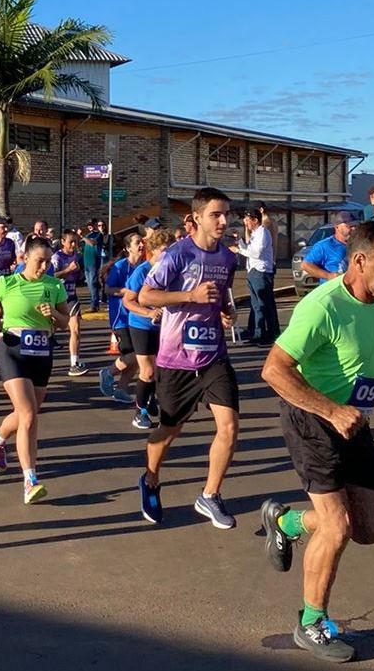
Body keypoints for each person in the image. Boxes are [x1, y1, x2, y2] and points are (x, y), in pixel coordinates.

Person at [258, 222, 374, 662]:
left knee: (371, 529)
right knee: (337, 526)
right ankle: (312, 622)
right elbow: (273, 370)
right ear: (359, 261)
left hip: (353, 419)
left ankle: (286, 524)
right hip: (312, 418)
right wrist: (329, 410)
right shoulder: (321, 307)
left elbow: (363, 352)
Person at [136, 187, 240, 531]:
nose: (224, 220)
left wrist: (226, 311)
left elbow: (221, 296)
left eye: (226, 213)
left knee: (229, 425)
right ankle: (151, 479)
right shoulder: (178, 255)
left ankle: (210, 494)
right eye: (216, 214)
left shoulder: (227, 258)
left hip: (213, 356)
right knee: (168, 430)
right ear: (195, 219)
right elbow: (146, 295)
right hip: (176, 357)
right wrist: (189, 295)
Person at [0, 235, 71, 504]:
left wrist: (53, 314)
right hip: (13, 350)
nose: (43, 267)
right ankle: (30, 480)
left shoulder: (55, 286)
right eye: (39, 261)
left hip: (42, 353)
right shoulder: (7, 283)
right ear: (25, 258)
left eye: (47, 262)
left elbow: (65, 322)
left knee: (26, 414)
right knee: (29, 414)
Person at [123, 230, 171, 429]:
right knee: (148, 371)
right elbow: (128, 302)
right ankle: (139, 412)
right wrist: (149, 313)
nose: (169, 255)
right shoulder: (141, 272)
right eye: (164, 251)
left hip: (164, 326)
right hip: (141, 326)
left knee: (160, 371)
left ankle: (151, 398)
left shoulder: (172, 270)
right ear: (154, 251)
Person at [100, 233, 143, 404]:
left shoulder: (144, 267)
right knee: (137, 355)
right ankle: (108, 372)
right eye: (137, 242)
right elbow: (108, 290)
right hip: (121, 319)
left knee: (134, 358)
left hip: (138, 317)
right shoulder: (120, 267)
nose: (141, 245)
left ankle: (121, 389)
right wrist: (126, 292)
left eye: (142, 242)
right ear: (128, 248)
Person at [231, 206, 279, 345]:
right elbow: (249, 249)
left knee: (263, 305)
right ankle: (259, 333)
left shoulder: (263, 233)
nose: (246, 222)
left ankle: (266, 335)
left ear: (255, 220)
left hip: (261, 272)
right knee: (257, 305)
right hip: (253, 271)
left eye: (247, 219)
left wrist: (238, 250)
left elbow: (256, 253)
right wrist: (239, 240)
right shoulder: (255, 234)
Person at [51, 231, 89, 376]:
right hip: (58, 299)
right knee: (50, 331)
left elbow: (77, 277)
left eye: (75, 242)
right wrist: (68, 270)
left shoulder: (76, 256)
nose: (74, 245)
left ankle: (74, 363)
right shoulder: (57, 257)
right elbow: (52, 276)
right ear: (63, 241)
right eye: (71, 242)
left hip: (72, 296)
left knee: (76, 330)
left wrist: (78, 273)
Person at [300, 212, 357, 285]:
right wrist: (328, 276)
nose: (354, 228)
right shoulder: (324, 246)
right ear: (337, 227)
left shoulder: (359, 243)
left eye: (355, 226)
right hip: (334, 289)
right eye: (349, 226)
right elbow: (306, 265)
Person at [83, 220, 104, 312]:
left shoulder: (99, 235)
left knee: (93, 283)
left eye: (92, 225)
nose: (90, 227)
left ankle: (94, 305)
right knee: (89, 283)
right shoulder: (88, 235)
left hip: (94, 262)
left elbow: (92, 243)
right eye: (88, 225)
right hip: (86, 262)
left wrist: (82, 236)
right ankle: (94, 303)